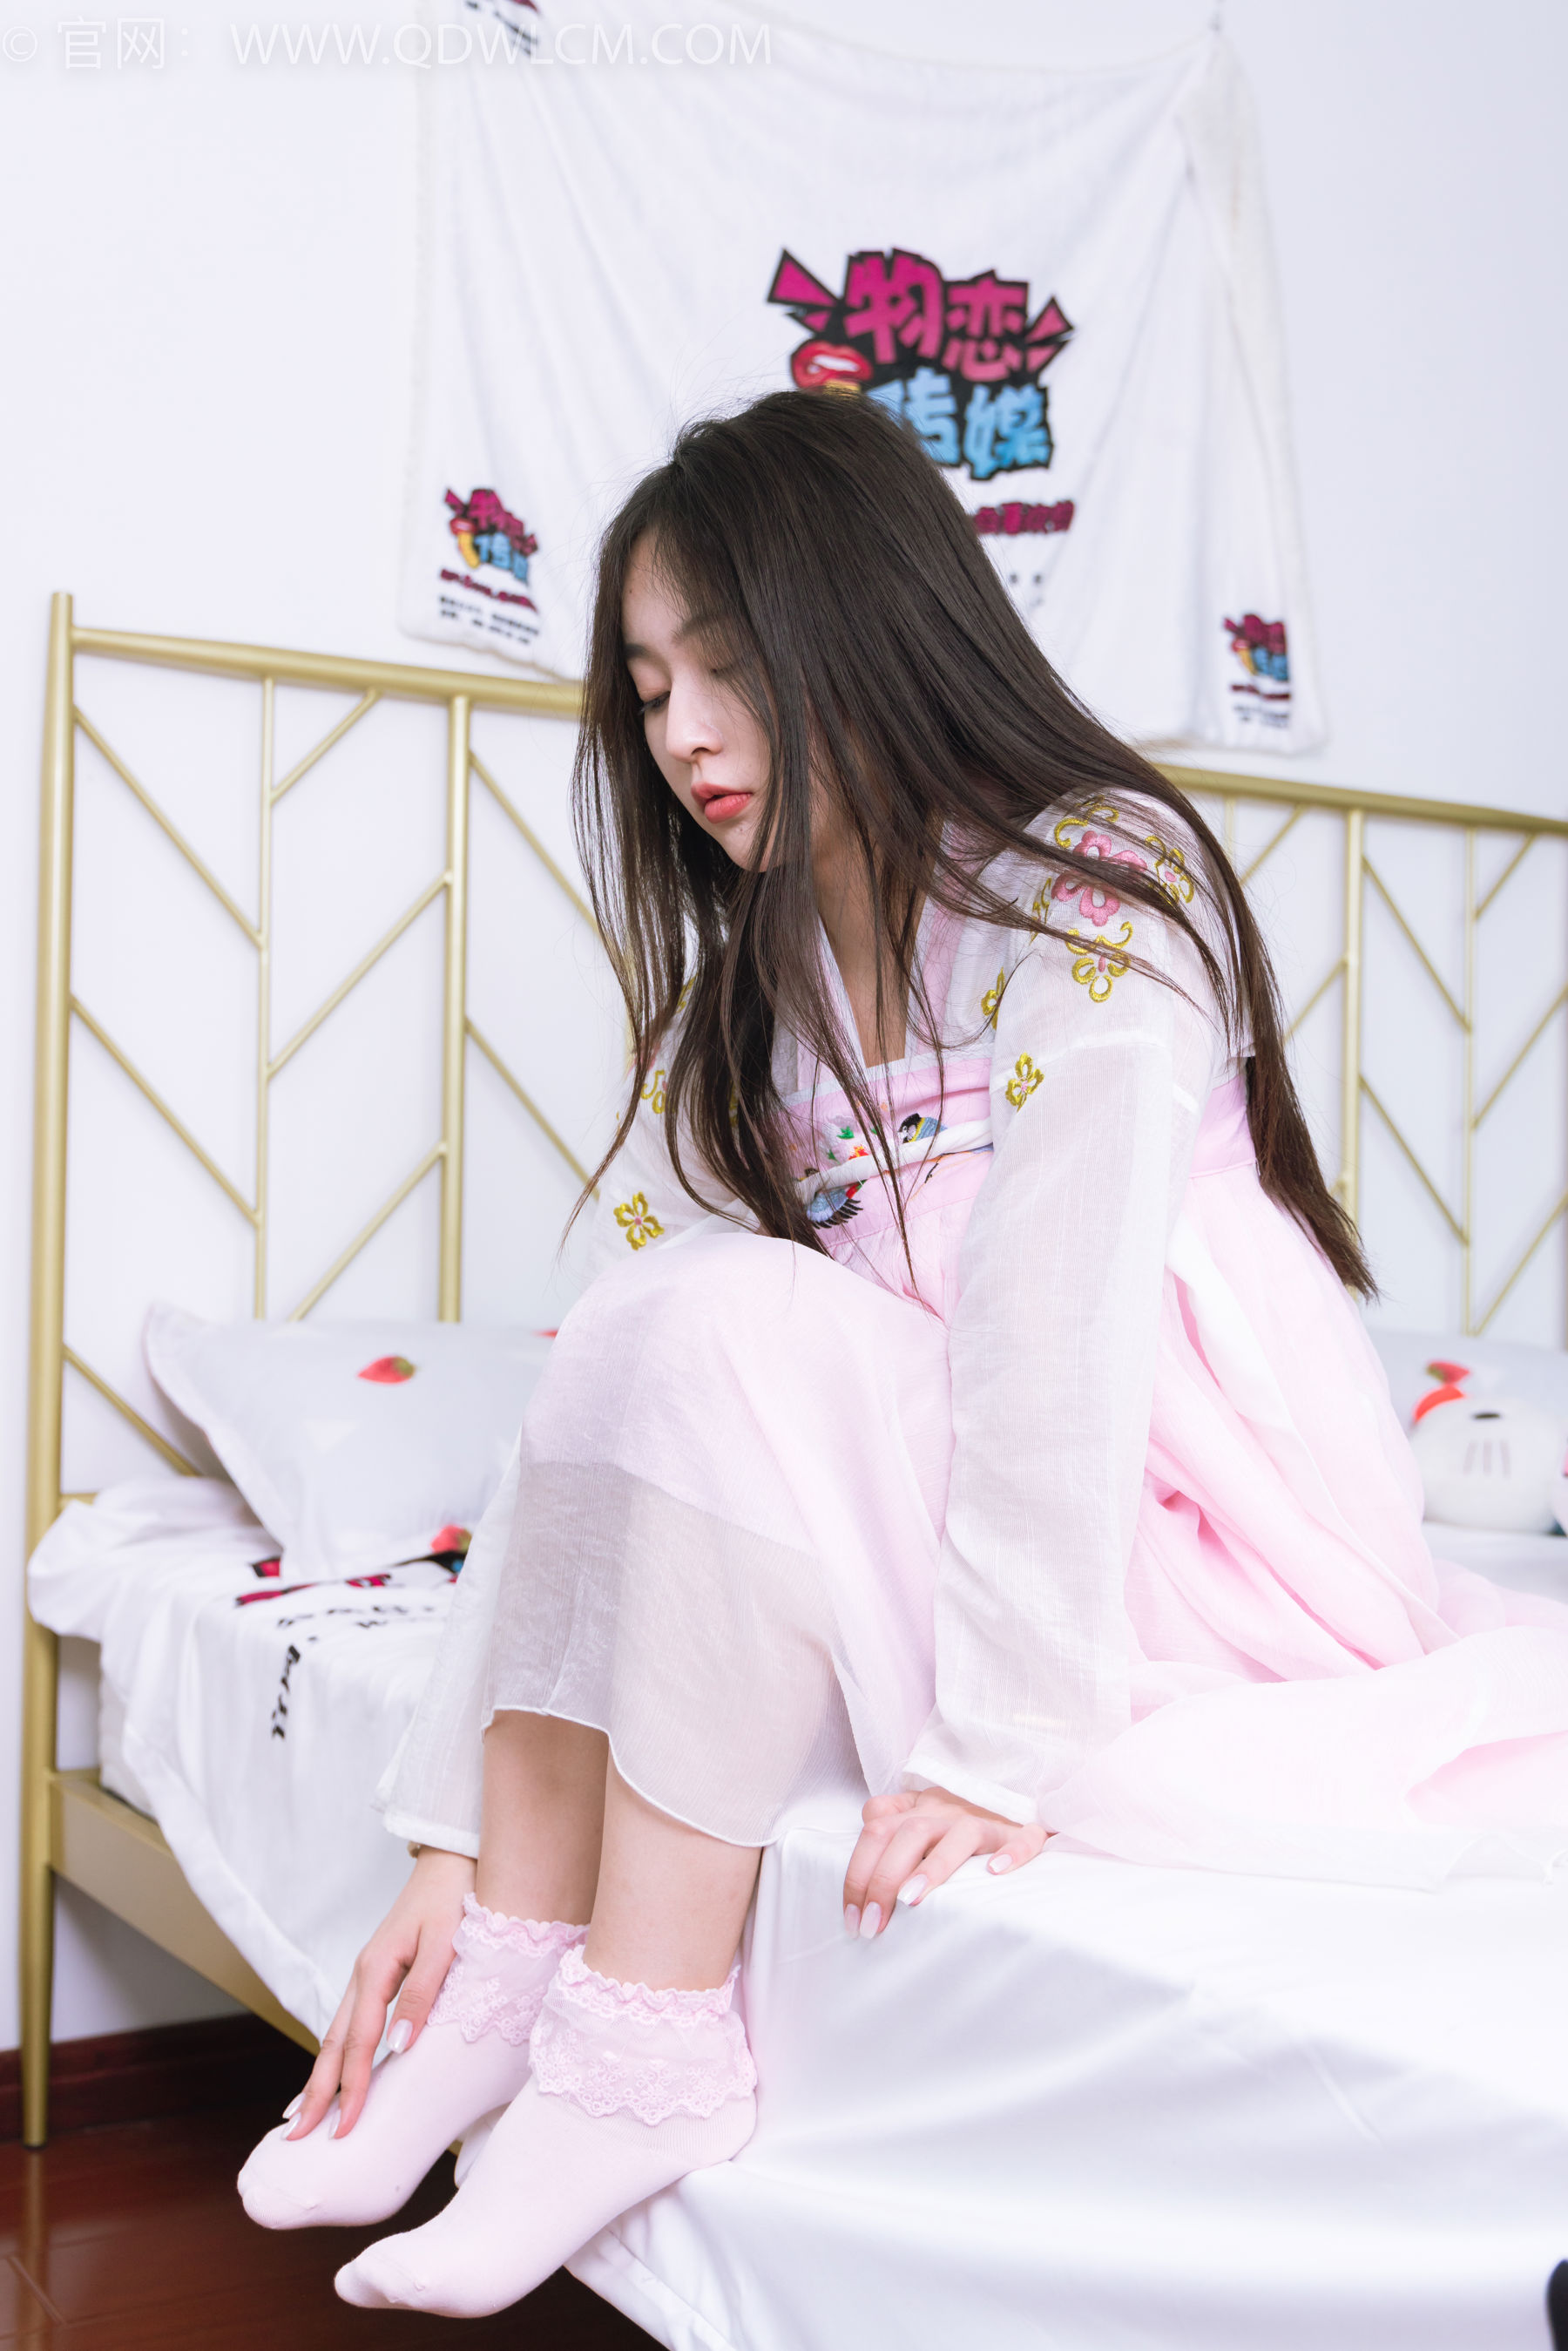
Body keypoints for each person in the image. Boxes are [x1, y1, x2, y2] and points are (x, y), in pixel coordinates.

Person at [237, 390, 1568, 2319]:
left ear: (872, 619)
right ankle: (510, 1978)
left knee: (714, 1310)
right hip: (937, 1528)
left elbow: (1057, 1326)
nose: (685, 735)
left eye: (728, 665)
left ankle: (643, 2046)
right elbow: (599, 1387)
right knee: (651, 1313)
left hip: (1176, 1538)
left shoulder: (1098, 880)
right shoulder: (756, 987)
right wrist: (453, 1833)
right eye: (649, 689)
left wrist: (1000, 1743)